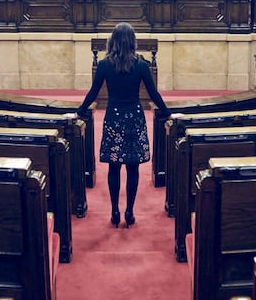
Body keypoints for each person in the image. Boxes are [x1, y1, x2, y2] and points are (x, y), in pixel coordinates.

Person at [67, 22, 181, 228]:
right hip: (135, 119)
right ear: (132, 42)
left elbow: (93, 93)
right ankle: (129, 211)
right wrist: (169, 113)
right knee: (133, 168)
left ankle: (114, 210)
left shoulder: (104, 65)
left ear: (113, 41)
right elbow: (154, 95)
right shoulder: (141, 65)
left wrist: (79, 112)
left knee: (113, 166)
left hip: (114, 119)